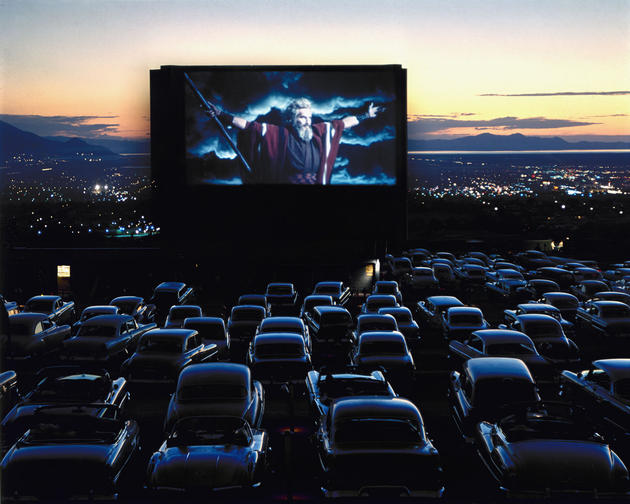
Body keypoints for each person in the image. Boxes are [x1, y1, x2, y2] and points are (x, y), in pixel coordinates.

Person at [208, 98, 381, 184]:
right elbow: (249, 126)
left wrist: (365, 115)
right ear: (291, 119)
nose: (307, 121)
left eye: (309, 117)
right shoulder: (280, 134)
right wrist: (221, 114)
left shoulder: (319, 131)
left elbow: (344, 123)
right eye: (302, 117)